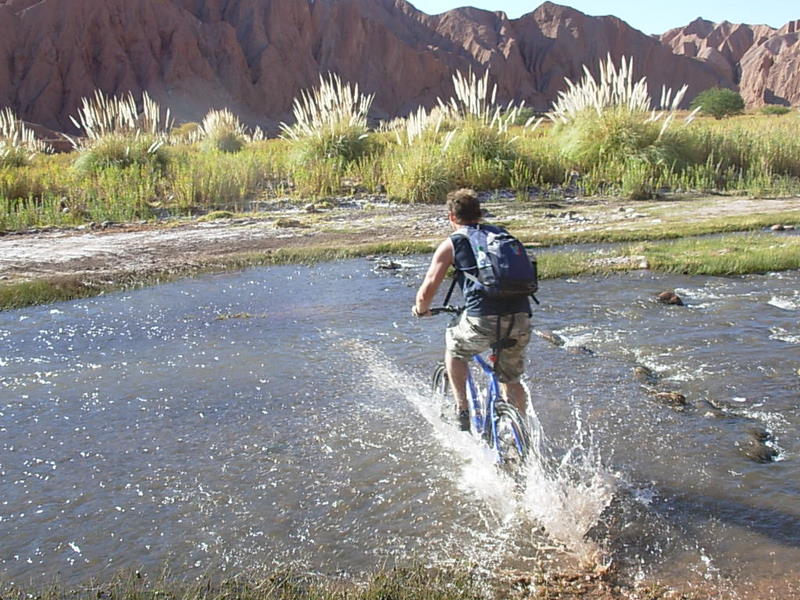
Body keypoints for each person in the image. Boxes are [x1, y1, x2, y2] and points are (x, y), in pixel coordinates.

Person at [412, 188, 532, 431]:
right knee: (511, 379)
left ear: (451, 217)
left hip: (483, 318)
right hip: (520, 316)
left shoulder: (452, 243)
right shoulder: (502, 235)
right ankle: (520, 433)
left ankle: (462, 409)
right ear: (479, 213)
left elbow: (428, 289)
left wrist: (421, 309)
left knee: (454, 347)